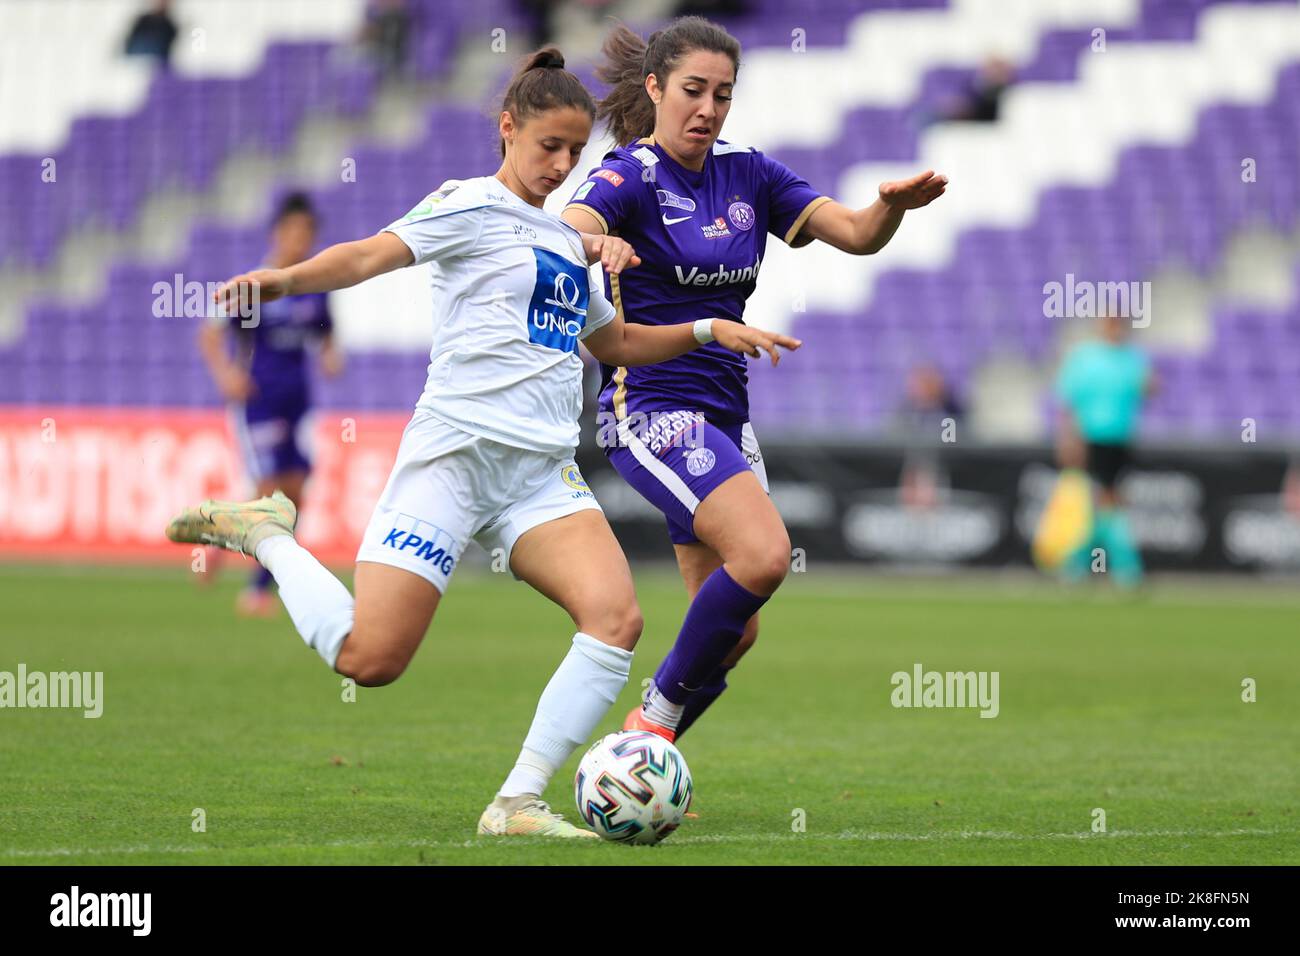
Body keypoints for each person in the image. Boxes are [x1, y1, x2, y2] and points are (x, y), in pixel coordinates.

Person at [166, 48, 799, 838]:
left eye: (574, 152)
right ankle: (267, 536)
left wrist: (708, 328)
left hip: (539, 472)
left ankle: (517, 802)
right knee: (371, 659)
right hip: (455, 459)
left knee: (615, 619)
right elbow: (367, 255)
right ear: (508, 129)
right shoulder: (464, 205)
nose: (562, 166)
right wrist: (284, 282)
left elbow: (619, 345)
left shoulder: (576, 247)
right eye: (548, 148)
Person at [562, 16, 946, 742]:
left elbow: (858, 234)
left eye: (723, 95)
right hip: (647, 408)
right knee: (766, 555)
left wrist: (889, 208)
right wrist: (594, 238)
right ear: (656, 87)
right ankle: (650, 733)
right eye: (693, 91)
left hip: (724, 416)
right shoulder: (626, 176)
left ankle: (636, 751)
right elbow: (566, 227)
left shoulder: (750, 173)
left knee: (732, 634)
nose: (708, 109)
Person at [198, 192, 342, 617]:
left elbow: (325, 333)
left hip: (298, 400)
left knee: (296, 492)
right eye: (294, 232)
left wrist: (331, 354)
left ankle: (232, 546)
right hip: (259, 401)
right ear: (278, 234)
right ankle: (256, 586)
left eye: (308, 233)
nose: (301, 240)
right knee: (268, 490)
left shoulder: (314, 287)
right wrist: (227, 375)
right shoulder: (256, 284)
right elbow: (209, 333)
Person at [1054, 314, 1154, 588]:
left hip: (1120, 439)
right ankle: (1120, 569)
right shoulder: (1085, 359)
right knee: (1102, 503)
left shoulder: (1132, 358)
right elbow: (1068, 402)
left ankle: (1081, 566)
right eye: (1109, 322)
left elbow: (1147, 389)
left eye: (1118, 322)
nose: (1114, 327)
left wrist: (1148, 385)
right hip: (1091, 439)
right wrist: (1069, 439)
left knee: (1107, 504)